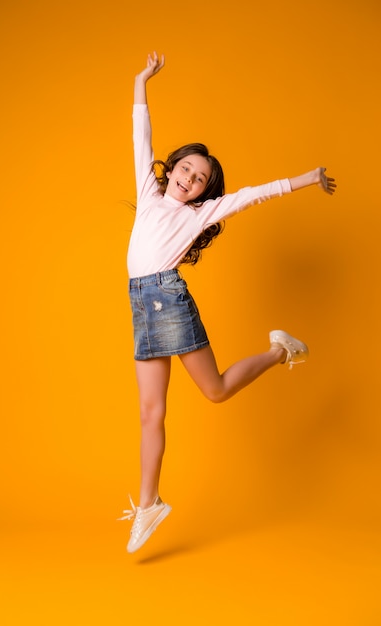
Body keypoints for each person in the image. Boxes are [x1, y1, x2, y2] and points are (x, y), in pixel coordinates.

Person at [119, 52, 336, 553]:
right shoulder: (149, 194)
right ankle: (150, 504)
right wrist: (140, 84)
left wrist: (308, 177)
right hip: (140, 304)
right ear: (172, 167)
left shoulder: (199, 214)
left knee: (213, 392)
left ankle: (280, 351)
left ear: (203, 193)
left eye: (199, 180)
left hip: (168, 301)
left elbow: (255, 194)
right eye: (186, 169)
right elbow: (140, 139)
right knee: (150, 413)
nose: (190, 179)